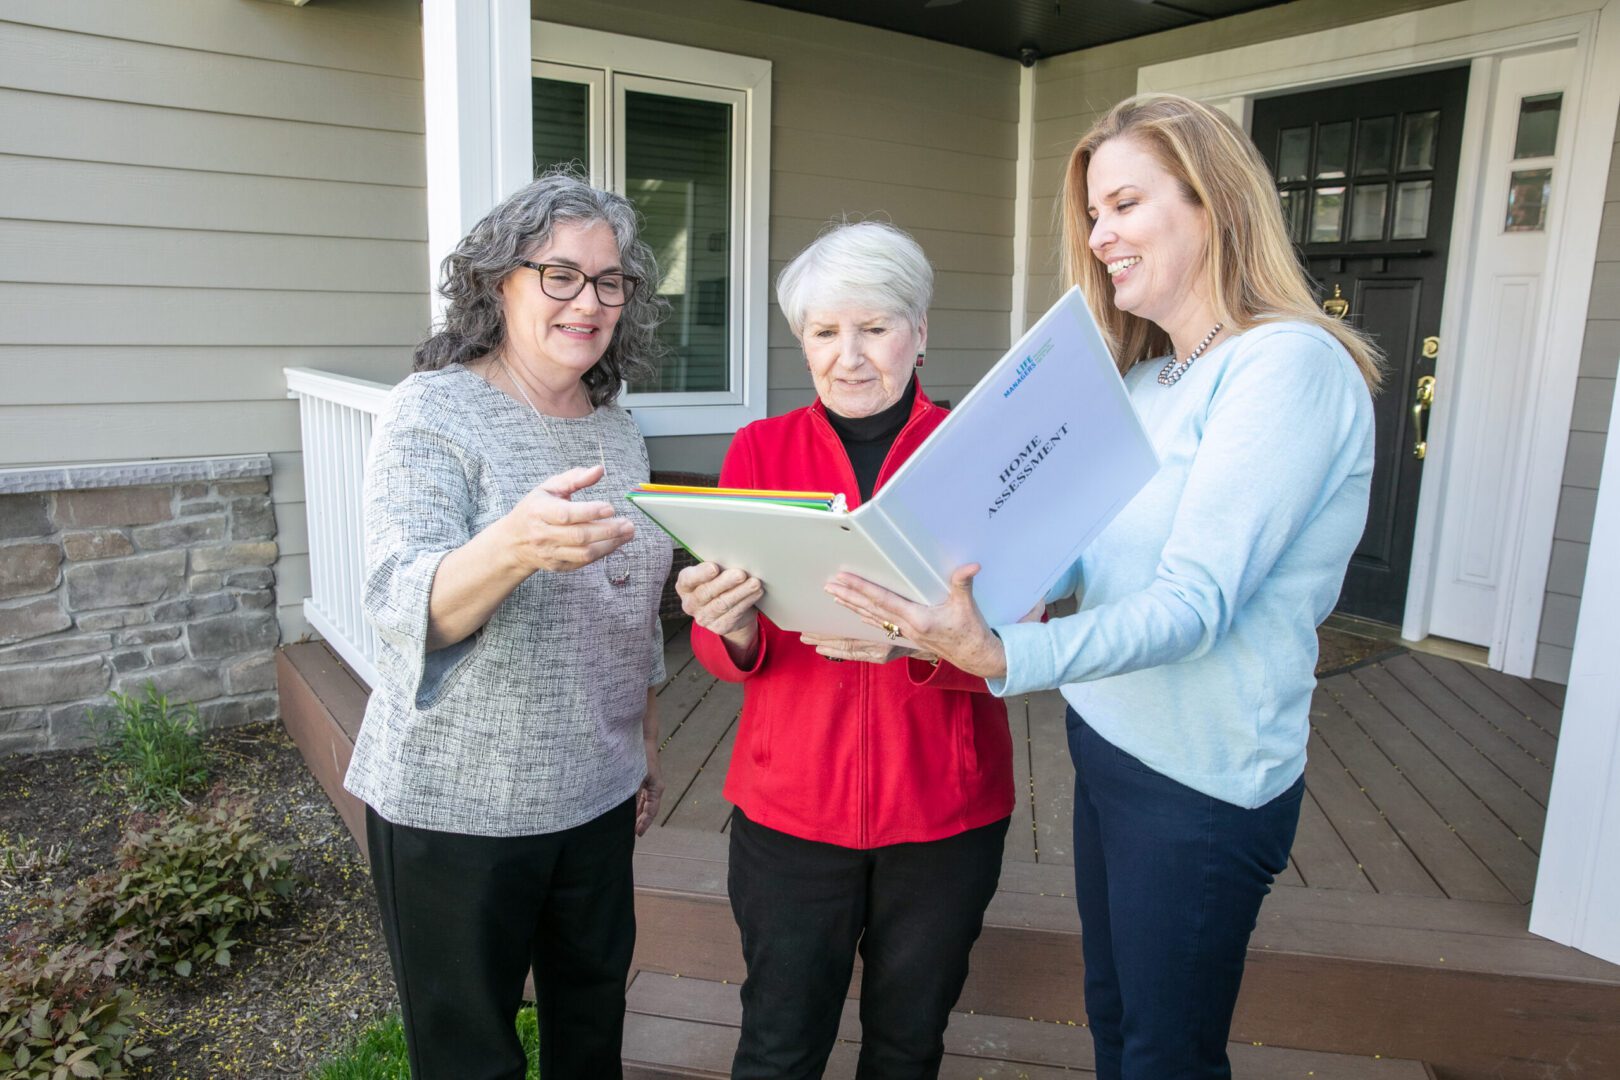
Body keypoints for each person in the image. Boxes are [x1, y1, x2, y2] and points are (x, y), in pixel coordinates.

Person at [824, 94, 1381, 1079]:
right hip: (1111, 741)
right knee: (1116, 1022)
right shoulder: (1151, 380)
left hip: (1201, 784)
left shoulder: (1287, 367)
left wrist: (1001, 655)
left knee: (1166, 1054)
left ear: (1211, 202)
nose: (1101, 234)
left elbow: (1194, 605)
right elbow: (1073, 551)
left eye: (1124, 203)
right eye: (1093, 212)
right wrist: (920, 601)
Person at [343, 169, 673, 1080]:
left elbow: (636, 599)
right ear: (500, 281)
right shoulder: (436, 407)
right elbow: (400, 600)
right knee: (469, 1056)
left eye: (610, 281)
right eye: (559, 275)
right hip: (458, 802)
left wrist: (646, 735)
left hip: (598, 789)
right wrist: (514, 545)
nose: (590, 301)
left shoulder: (617, 428)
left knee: (591, 1025)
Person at [674, 221, 1015, 1079]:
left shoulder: (978, 453)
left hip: (944, 807)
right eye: (825, 332)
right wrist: (734, 627)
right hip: (791, 808)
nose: (849, 356)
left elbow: (1022, 637)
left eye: (875, 327)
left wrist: (924, 646)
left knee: (908, 1044)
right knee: (781, 1042)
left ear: (921, 332)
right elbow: (725, 656)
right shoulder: (762, 451)